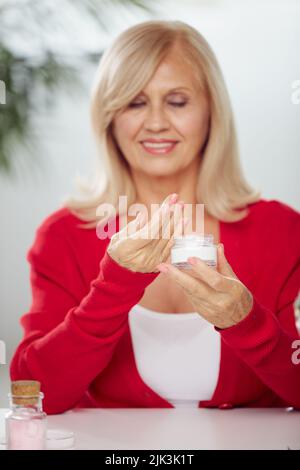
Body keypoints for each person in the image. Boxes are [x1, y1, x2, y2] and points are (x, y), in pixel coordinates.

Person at [10, 20, 300, 414]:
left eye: (177, 102)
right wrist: (115, 283)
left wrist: (245, 321)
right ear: (109, 117)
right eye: (135, 102)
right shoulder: (64, 236)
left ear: (212, 111)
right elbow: (34, 392)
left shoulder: (281, 232)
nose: (157, 122)